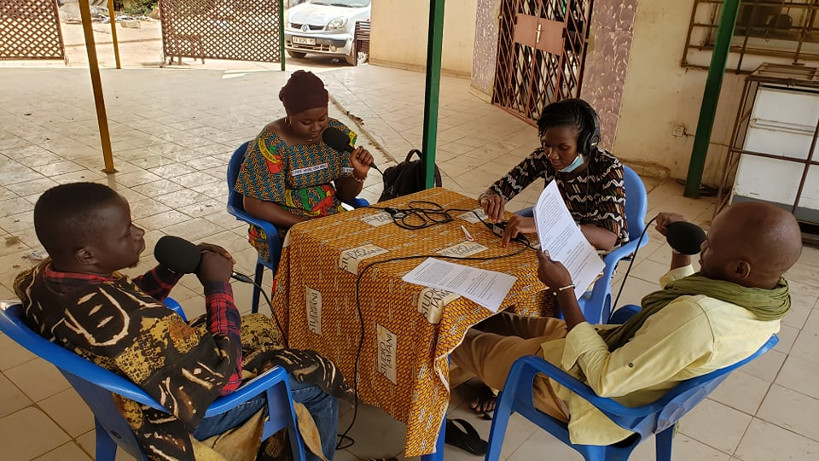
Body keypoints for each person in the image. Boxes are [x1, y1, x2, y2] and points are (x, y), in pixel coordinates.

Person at [13, 182, 351, 461]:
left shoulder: (42, 277)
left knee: (260, 325)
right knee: (317, 381)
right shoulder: (135, 322)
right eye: (126, 231)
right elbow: (224, 383)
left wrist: (170, 269)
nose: (139, 232)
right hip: (172, 416)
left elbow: (125, 304)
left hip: (119, 396)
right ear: (87, 255)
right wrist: (217, 287)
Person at [451, 201, 801, 445]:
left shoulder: (698, 322)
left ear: (739, 269)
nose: (704, 246)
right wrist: (682, 247)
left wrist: (565, 290)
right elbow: (688, 298)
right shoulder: (764, 304)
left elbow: (604, 378)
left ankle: (431, 388)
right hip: (611, 349)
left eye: (711, 246)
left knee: (453, 339)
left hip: (588, 396)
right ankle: (474, 367)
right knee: (503, 320)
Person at [234, 70, 374, 262]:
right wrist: (305, 224)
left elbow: (345, 195)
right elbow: (254, 205)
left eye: (322, 119)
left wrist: (358, 174)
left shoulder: (338, 134)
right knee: (329, 263)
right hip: (281, 228)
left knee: (370, 254)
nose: (316, 128)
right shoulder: (271, 143)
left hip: (328, 222)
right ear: (288, 114)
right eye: (306, 122)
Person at [478, 98, 628, 251]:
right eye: (546, 145)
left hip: (592, 248)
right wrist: (489, 198)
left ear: (585, 143)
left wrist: (545, 226)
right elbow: (499, 189)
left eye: (563, 147)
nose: (552, 155)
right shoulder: (543, 158)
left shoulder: (608, 167)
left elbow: (608, 239)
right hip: (551, 240)